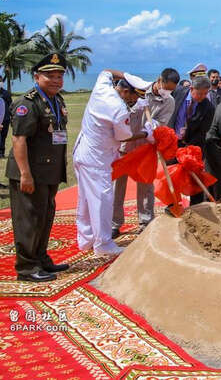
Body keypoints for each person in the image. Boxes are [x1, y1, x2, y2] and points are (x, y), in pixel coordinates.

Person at [74, 69, 153, 256]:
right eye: (133, 97)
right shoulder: (117, 108)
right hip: (97, 158)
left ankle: (85, 239)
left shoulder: (102, 87)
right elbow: (124, 136)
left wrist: (126, 75)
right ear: (125, 92)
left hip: (83, 150)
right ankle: (103, 244)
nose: (133, 101)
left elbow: (106, 71)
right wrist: (146, 133)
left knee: (85, 198)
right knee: (102, 200)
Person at [7, 53, 71, 282]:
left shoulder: (57, 100)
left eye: (59, 76)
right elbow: (19, 140)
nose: (55, 80)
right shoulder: (28, 103)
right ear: (36, 76)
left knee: (45, 217)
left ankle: (41, 259)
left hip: (49, 172)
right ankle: (26, 268)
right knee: (30, 219)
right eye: (50, 76)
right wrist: (25, 174)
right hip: (30, 173)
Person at [111, 68, 178, 238]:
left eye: (171, 89)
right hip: (124, 146)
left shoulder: (169, 101)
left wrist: (152, 127)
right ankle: (114, 223)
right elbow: (119, 107)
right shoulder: (140, 90)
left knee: (145, 185)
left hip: (145, 147)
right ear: (159, 80)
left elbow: (161, 123)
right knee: (117, 186)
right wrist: (133, 108)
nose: (167, 91)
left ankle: (145, 221)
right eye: (165, 87)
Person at [168, 76, 214, 204]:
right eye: (200, 93)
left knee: (195, 177)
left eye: (206, 93)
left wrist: (187, 148)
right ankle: (173, 205)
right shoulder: (178, 92)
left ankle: (196, 206)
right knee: (172, 175)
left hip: (193, 145)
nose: (202, 96)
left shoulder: (208, 108)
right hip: (172, 143)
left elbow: (202, 132)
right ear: (191, 88)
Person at [0, 83, 11, 158]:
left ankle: (2, 152)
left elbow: (10, 105)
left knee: (3, 136)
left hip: (5, 119)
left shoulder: (6, 93)